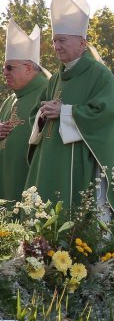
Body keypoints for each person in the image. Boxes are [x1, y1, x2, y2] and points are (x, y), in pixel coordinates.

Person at [26, 0, 114, 231]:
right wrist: (43, 115)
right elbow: (37, 114)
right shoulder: (55, 79)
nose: (56, 46)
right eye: (54, 40)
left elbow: (105, 116)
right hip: (50, 158)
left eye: (62, 40)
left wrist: (64, 112)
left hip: (79, 160)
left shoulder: (100, 75)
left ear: (82, 43)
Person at [0, 20, 49, 202]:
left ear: (28, 68)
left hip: (31, 185)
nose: (4, 72)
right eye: (4, 67)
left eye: (9, 67)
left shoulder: (48, 93)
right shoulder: (9, 100)